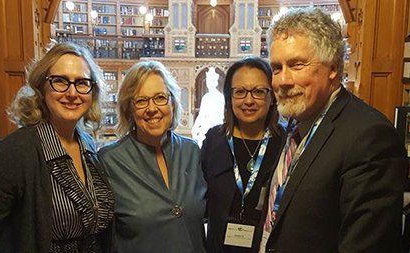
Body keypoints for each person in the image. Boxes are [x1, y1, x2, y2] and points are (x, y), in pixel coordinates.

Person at [259, 8, 408, 253]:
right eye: (276, 68)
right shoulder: (296, 124)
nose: (283, 81)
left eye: (297, 65)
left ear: (333, 68)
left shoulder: (369, 137)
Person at [0, 42, 114, 253]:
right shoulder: (13, 154)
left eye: (82, 83)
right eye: (60, 81)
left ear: (92, 92)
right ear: (41, 88)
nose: (72, 92)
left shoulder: (88, 146)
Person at [98, 60, 206, 253]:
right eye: (141, 101)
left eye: (160, 97)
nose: (152, 108)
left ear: (172, 102)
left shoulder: (192, 151)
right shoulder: (109, 161)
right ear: (129, 109)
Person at [202, 57, 284, 253]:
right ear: (229, 97)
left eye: (258, 92)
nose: (249, 100)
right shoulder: (214, 140)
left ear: (272, 97)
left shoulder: (286, 142)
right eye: (240, 92)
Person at [192, 66, 225, 146]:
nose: (208, 82)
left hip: (216, 129)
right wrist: (195, 127)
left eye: (210, 80)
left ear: (215, 82)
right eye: (208, 80)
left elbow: (222, 117)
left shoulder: (220, 97)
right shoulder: (206, 97)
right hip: (205, 128)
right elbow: (201, 115)